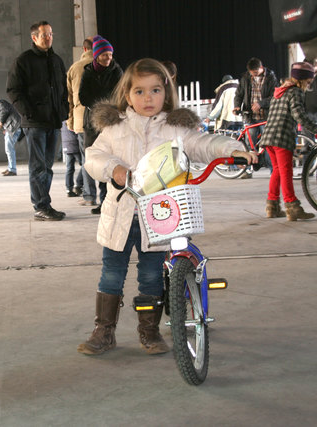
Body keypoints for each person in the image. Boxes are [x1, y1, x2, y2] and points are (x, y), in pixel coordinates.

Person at [78, 58, 256, 356]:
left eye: (156, 90)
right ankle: (103, 331)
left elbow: (204, 143)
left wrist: (232, 149)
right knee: (111, 274)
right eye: (139, 91)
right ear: (127, 95)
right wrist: (114, 168)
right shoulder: (115, 128)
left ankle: (149, 331)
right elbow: (93, 156)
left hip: (160, 219)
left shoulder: (176, 129)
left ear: (167, 92)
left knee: (150, 276)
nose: (148, 98)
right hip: (120, 216)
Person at [7, 20, 69, 221]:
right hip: (34, 124)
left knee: (48, 166)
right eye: (44, 35)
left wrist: (64, 111)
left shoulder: (57, 61)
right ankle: (41, 205)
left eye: (51, 34)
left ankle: (44, 203)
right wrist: (28, 112)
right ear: (34, 37)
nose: (49, 37)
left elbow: (63, 90)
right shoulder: (23, 61)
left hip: (53, 122)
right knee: (37, 166)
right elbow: (13, 90)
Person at [258, 62, 317, 221]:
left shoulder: (279, 91)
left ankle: (272, 207)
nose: (309, 84)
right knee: (286, 172)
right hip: (282, 137)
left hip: (268, 137)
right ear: (304, 79)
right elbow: (299, 115)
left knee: (277, 171)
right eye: (308, 81)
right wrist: (315, 128)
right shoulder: (295, 92)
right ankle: (293, 207)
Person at [79, 35, 123, 214]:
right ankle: (100, 198)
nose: (108, 58)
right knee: (96, 159)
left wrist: (109, 108)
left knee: (113, 159)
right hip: (92, 122)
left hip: (112, 121)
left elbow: (120, 94)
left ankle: (110, 200)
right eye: (105, 55)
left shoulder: (117, 71)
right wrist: (98, 106)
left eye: (110, 55)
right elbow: (83, 96)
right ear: (96, 55)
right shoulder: (88, 71)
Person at [233, 57, 279, 176]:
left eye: (255, 73)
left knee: (268, 145)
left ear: (261, 68)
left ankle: (273, 171)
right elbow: (239, 94)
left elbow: (275, 97)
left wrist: (261, 104)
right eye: (251, 73)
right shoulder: (245, 78)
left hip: (266, 116)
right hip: (250, 116)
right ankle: (248, 170)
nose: (253, 75)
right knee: (249, 144)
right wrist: (237, 106)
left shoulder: (271, 78)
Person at [67, 37, 95, 205]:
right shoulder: (105, 65)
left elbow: (69, 99)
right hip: (101, 119)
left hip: (81, 120)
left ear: (84, 50)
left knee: (86, 159)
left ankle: (90, 196)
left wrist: (70, 122)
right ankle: (106, 196)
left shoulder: (74, 68)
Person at [0, 96, 22, 177]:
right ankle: (10, 168)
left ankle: (12, 169)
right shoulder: (0, 103)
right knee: (9, 149)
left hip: (13, 127)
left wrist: (1, 121)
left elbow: (4, 111)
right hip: (11, 128)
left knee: (9, 149)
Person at [61, 120, 83, 197]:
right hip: (74, 143)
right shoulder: (72, 116)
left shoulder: (63, 117)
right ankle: (79, 184)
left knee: (69, 168)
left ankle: (69, 189)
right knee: (85, 165)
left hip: (66, 144)